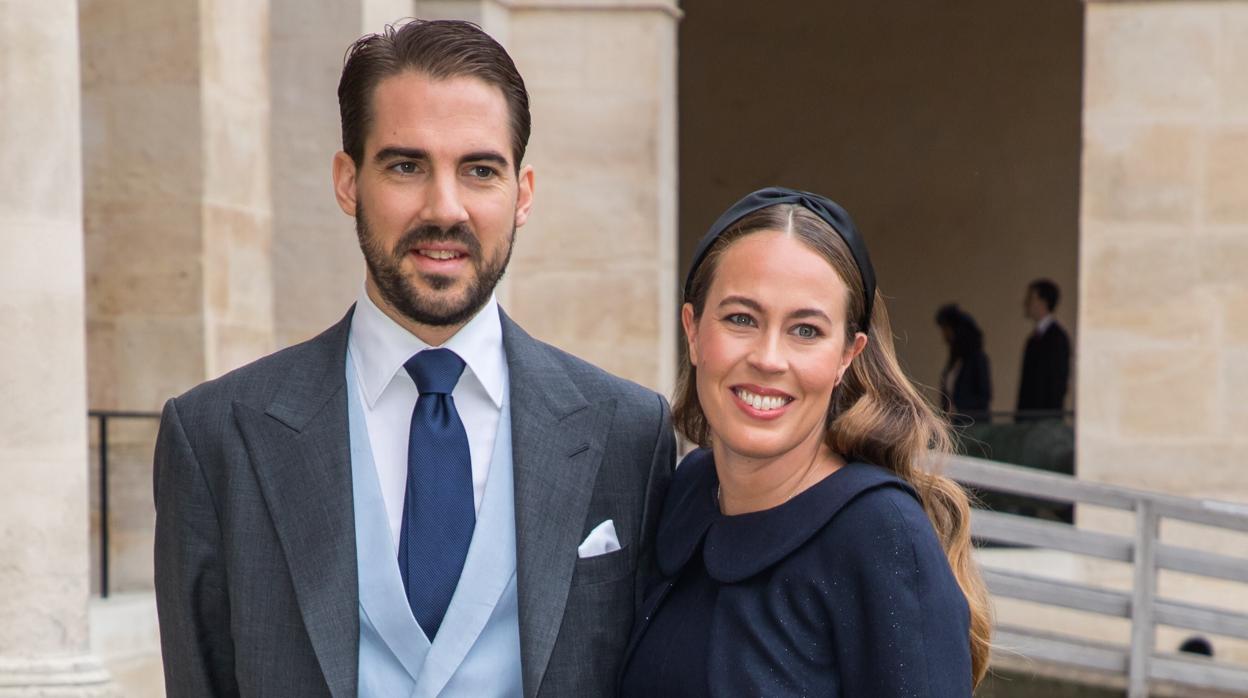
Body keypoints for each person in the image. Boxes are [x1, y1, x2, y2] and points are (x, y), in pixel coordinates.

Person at [153, 20, 674, 697]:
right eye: (406, 166)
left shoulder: (629, 433)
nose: (444, 208)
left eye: (480, 170)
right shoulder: (215, 436)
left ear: (523, 194)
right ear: (348, 182)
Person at [619, 188, 991, 696]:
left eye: (806, 330)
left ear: (848, 355)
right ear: (692, 328)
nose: (769, 358)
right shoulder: (686, 490)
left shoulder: (881, 535)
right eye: (741, 319)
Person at [1017, 278, 1071, 420]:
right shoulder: (1033, 339)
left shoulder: (1057, 338)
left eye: (1031, 298)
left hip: (1045, 423)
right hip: (1029, 422)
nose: (1026, 303)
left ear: (1043, 302)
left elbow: (1057, 385)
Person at [935, 303, 992, 423]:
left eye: (946, 329)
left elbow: (984, 397)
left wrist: (960, 409)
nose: (944, 335)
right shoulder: (955, 362)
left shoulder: (977, 359)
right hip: (954, 425)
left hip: (973, 426)